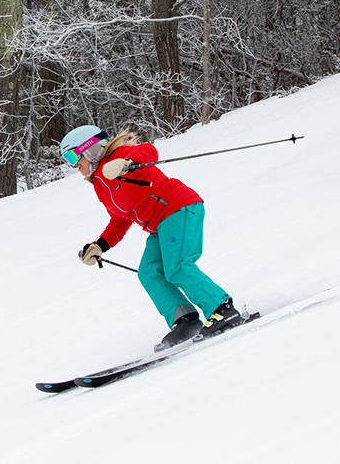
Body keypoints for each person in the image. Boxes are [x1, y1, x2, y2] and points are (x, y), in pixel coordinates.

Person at [60, 124, 243, 351]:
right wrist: (100, 246)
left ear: (90, 149)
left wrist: (126, 164)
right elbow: (120, 219)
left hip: (179, 209)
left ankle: (222, 309)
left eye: (72, 156)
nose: (74, 165)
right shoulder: (100, 184)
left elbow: (148, 151)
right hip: (160, 226)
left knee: (177, 266)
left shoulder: (120, 157)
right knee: (148, 272)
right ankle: (185, 320)